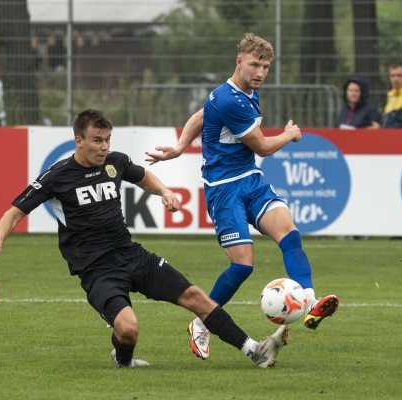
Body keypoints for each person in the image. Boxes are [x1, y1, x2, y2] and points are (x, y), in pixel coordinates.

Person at [0, 109, 290, 370]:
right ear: (79, 141)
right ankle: (124, 360)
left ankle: (255, 351)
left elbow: (144, 177)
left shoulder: (115, 161)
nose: (104, 147)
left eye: (107, 140)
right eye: (96, 140)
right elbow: (14, 212)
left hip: (131, 255)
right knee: (129, 329)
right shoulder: (57, 176)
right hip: (96, 269)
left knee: (196, 297)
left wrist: (166, 191)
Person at [145, 33, 339, 360]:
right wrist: (289, 135)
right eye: (254, 64)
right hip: (224, 190)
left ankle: (309, 301)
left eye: (265, 66)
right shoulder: (229, 99)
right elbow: (262, 146)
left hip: (250, 179)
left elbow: (200, 116)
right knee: (243, 266)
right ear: (239, 61)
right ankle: (201, 323)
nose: (260, 72)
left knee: (290, 235)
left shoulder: (244, 93)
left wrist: (180, 146)